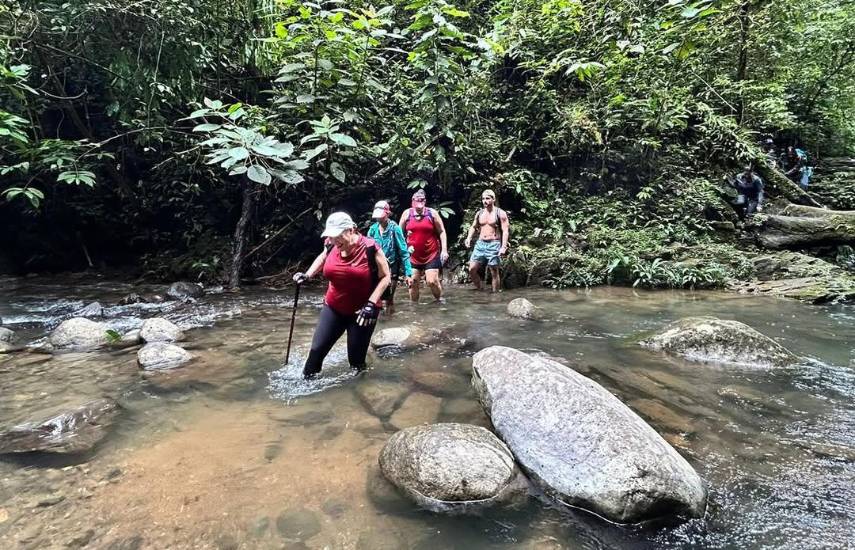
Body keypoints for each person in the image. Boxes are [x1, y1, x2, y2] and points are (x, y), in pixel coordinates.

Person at [293, 212, 391, 379]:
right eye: (331, 236)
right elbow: (323, 257)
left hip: (362, 312)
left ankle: (359, 394)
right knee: (316, 352)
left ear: (351, 230)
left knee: (356, 362)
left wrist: (371, 304)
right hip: (333, 307)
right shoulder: (330, 244)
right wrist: (307, 275)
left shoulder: (370, 248)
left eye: (338, 236)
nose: (333, 240)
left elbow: (386, 277)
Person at [399, 189, 449, 303]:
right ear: (412, 201)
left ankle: (440, 301)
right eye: (417, 200)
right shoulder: (407, 214)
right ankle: (414, 308)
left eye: (421, 200)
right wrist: (402, 250)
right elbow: (399, 234)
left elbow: (442, 231)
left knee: (432, 281)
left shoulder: (432, 213)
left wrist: (444, 250)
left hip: (431, 253)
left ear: (425, 201)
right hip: (412, 255)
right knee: (412, 283)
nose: (419, 203)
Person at [367, 200, 413, 310]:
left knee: (388, 298)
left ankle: (390, 320)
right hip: (376, 266)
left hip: (392, 266)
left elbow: (404, 252)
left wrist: (408, 274)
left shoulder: (395, 229)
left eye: (381, 216)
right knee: (375, 297)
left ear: (387, 214)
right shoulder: (373, 230)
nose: (379, 219)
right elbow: (367, 249)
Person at [464, 189, 510, 292]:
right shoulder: (479, 213)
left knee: (493, 270)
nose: (485, 201)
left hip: (494, 244)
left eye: (487, 198)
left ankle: (495, 295)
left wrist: (503, 247)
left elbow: (505, 231)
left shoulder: (500, 213)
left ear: (493, 199)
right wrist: (469, 238)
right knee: (472, 269)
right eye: (483, 199)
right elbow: (473, 226)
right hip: (480, 244)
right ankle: (480, 289)